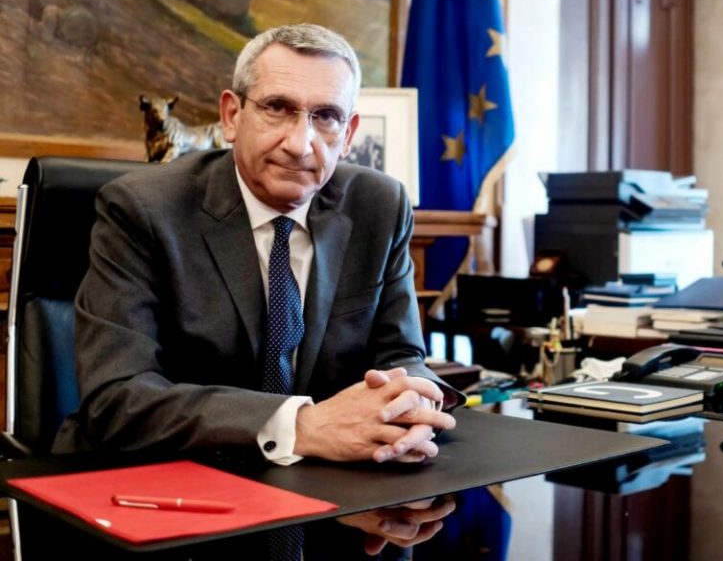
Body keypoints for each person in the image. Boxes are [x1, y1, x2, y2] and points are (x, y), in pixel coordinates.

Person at [53, 23, 462, 467]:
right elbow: (116, 398)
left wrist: (414, 404)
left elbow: (402, 356)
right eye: (277, 108)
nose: (300, 145)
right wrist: (301, 425)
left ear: (348, 135)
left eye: (326, 116)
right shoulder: (143, 210)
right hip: (163, 477)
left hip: (326, 482)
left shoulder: (379, 206)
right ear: (232, 116)